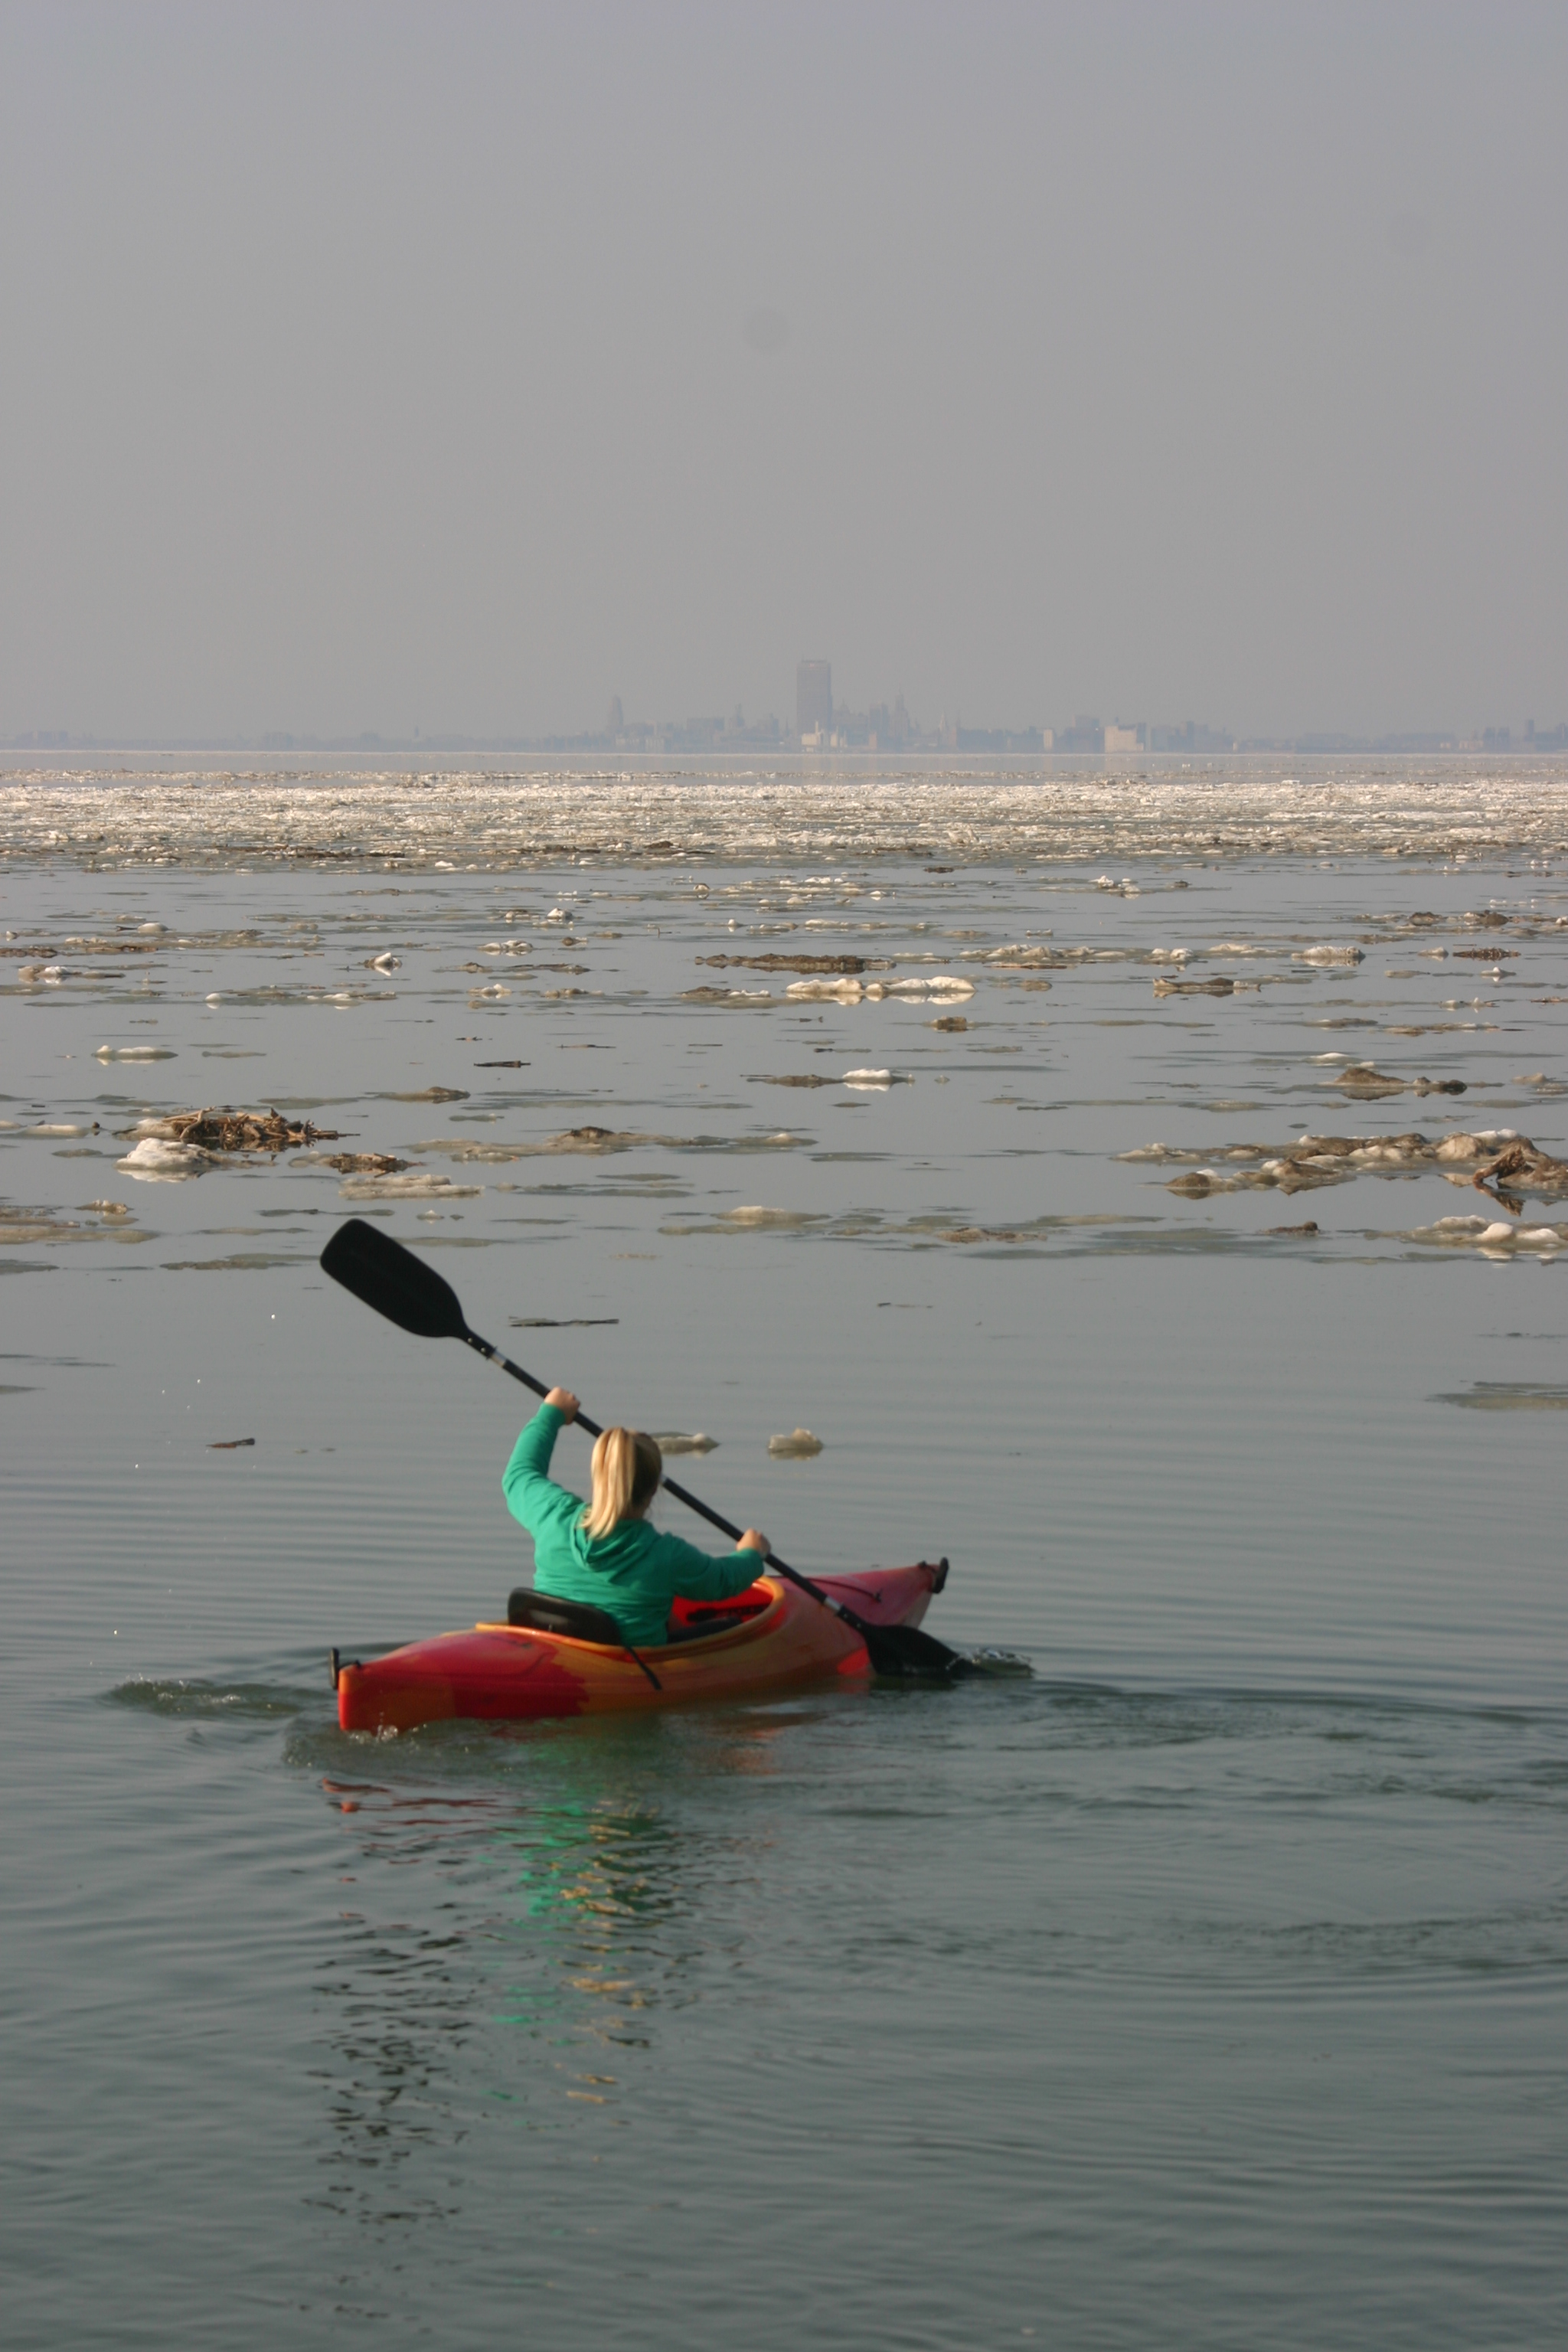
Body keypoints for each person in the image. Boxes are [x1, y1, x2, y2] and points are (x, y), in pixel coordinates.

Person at [502, 1387, 771, 1649]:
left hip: (552, 1644)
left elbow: (519, 1475)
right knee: (730, 1626)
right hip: (629, 1667)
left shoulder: (554, 1517)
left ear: (598, 1478)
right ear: (654, 1489)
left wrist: (551, 1413)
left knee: (662, 1608)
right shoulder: (666, 1556)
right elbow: (722, 1581)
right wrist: (751, 1554)